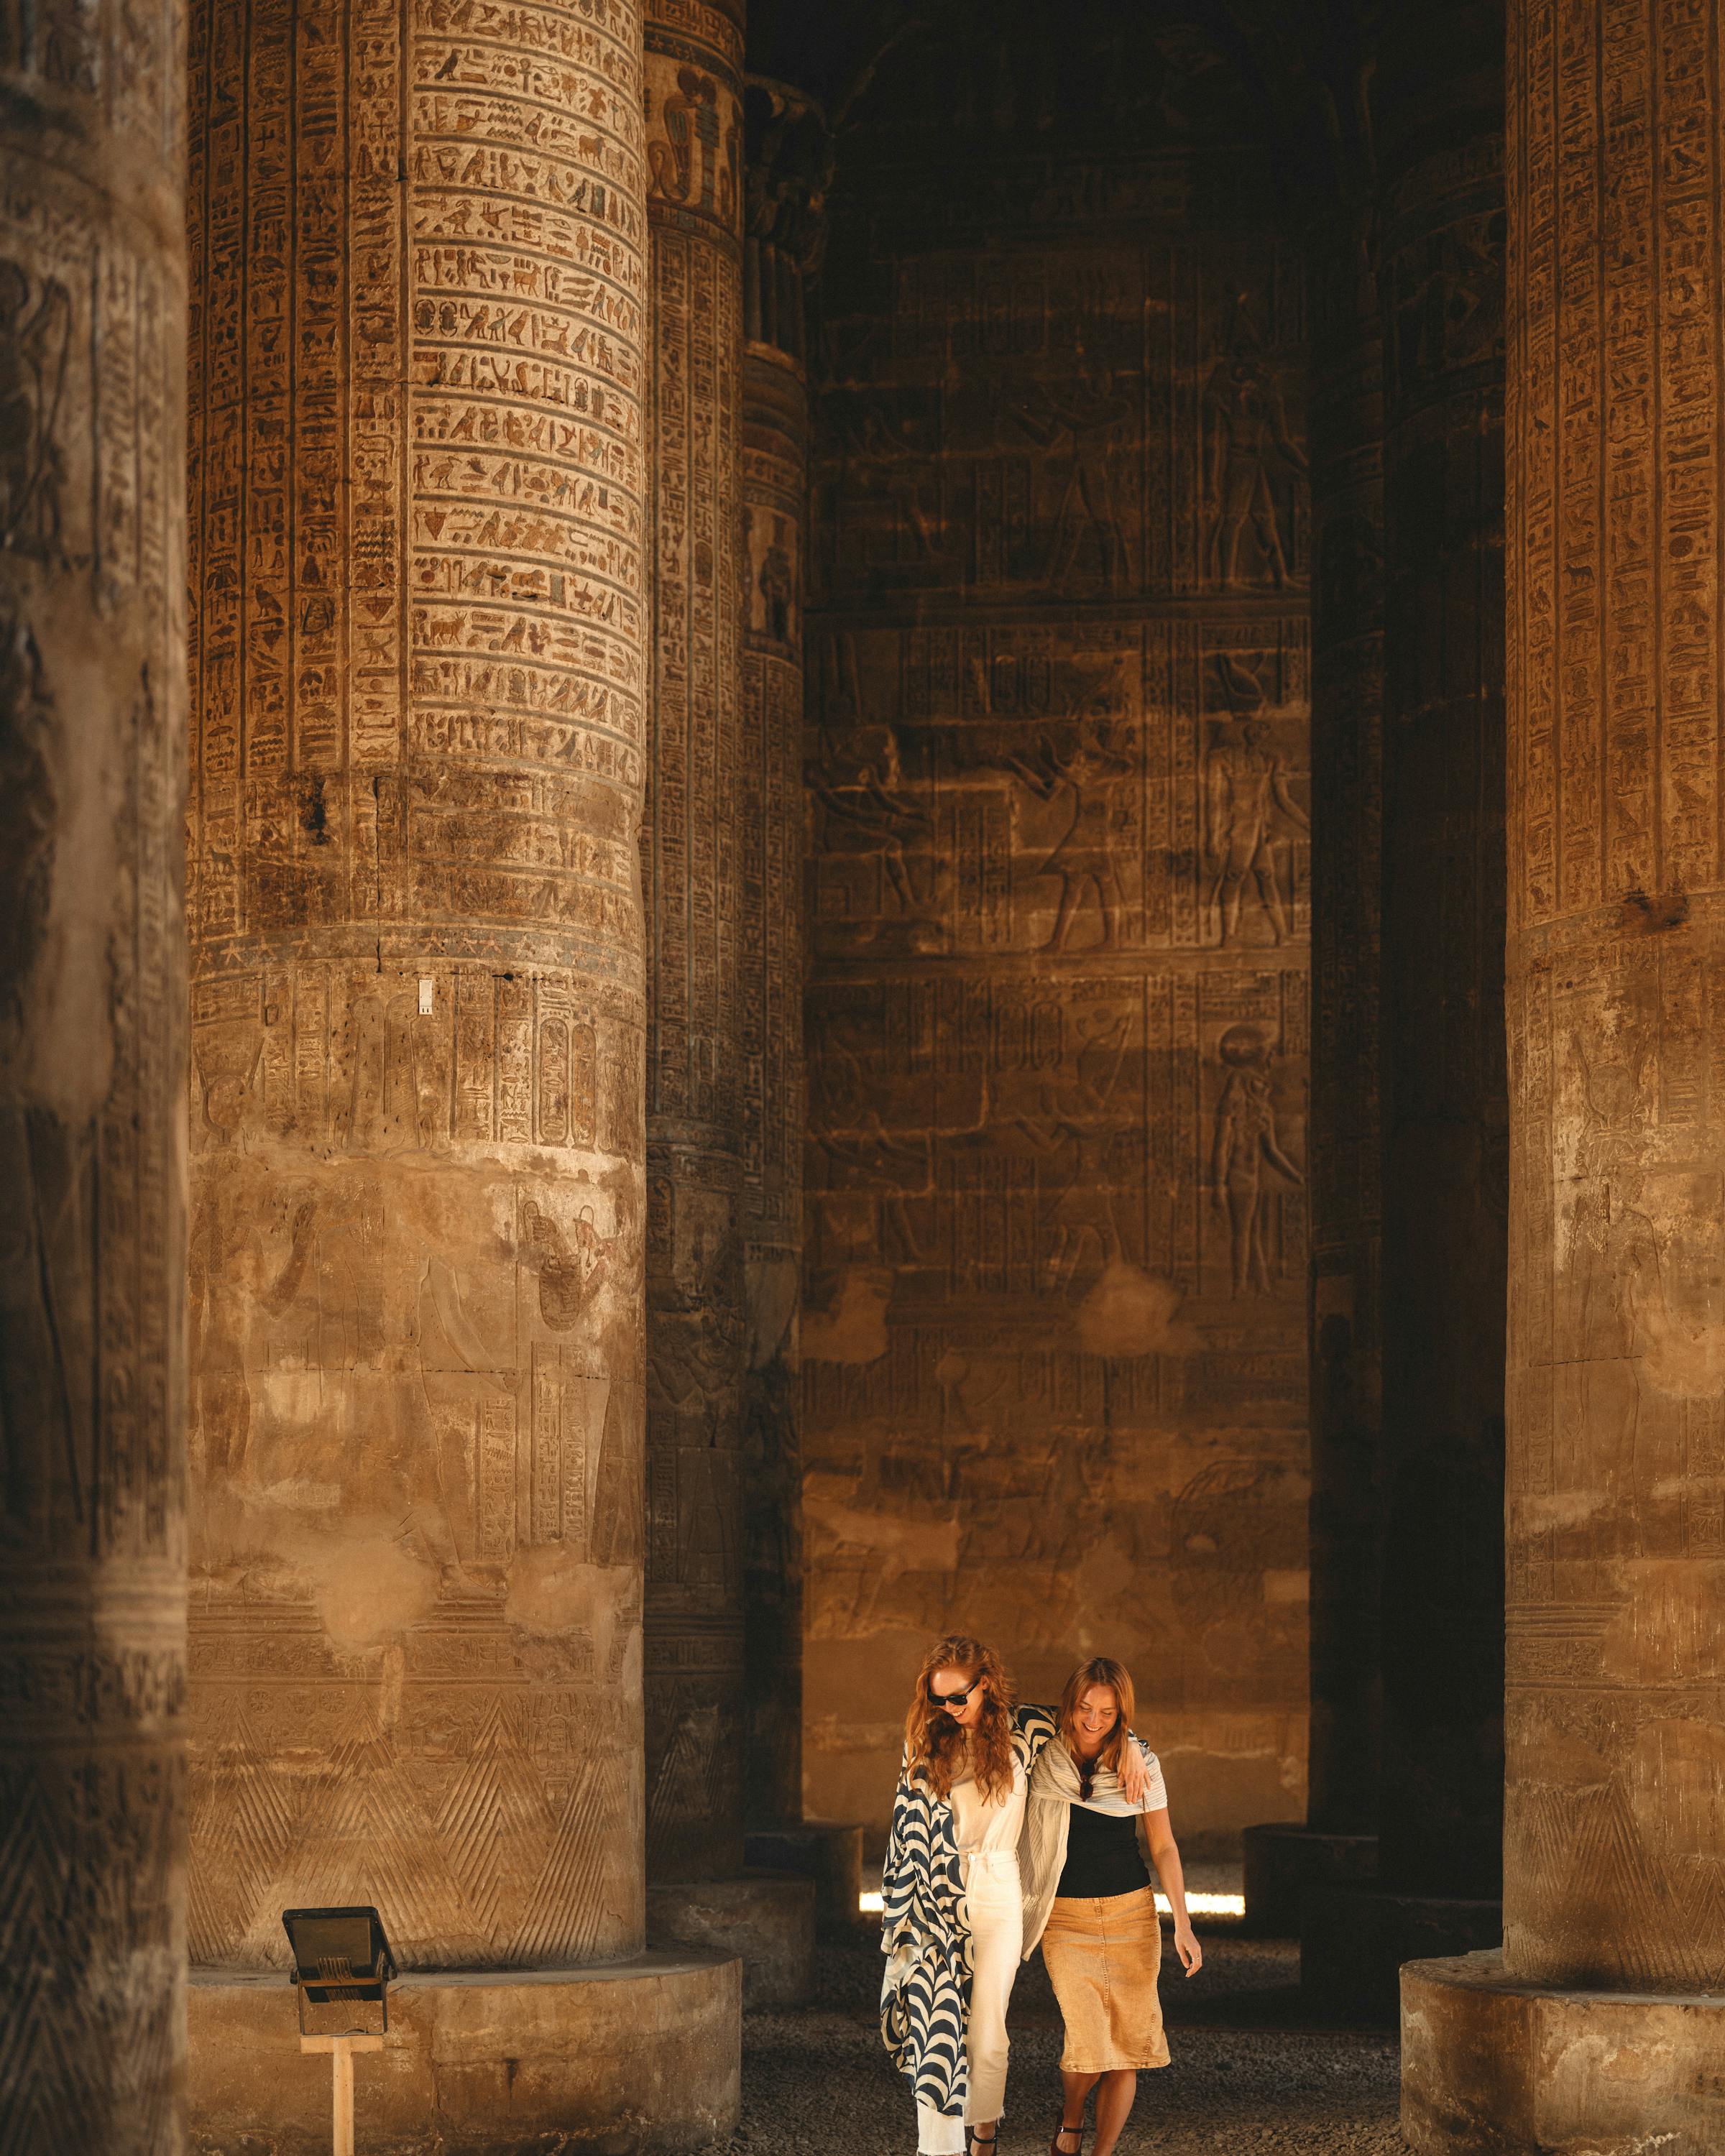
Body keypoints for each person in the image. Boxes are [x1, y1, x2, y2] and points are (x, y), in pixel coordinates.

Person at [880, 1636, 1150, 2155]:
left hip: (1000, 1888)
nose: (947, 1709)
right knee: (935, 2025)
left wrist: (1134, 1743)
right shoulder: (922, 1741)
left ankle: (984, 2128)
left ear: (986, 1684)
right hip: (937, 1889)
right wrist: (901, 1916)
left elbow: (1093, 1721)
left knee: (987, 2030)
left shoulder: (1026, 1728)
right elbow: (905, 1828)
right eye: (937, 1699)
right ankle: (939, 2150)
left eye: (957, 1698)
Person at [1019, 1657, 1202, 2156]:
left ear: (1122, 1713)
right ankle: (1072, 2118)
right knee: (1087, 2043)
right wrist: (1135, 1742)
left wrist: (1182, 1924)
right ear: (1069, 1705)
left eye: (1107, 1711)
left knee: (1127, 2051)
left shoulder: (1140, 1766)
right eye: (1083, 1708)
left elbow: (1164, 1847)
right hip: (1066, 1919)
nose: (1093, 1720)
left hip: (1131, 1915)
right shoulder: (1041, 1755)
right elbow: (1012, 1714)